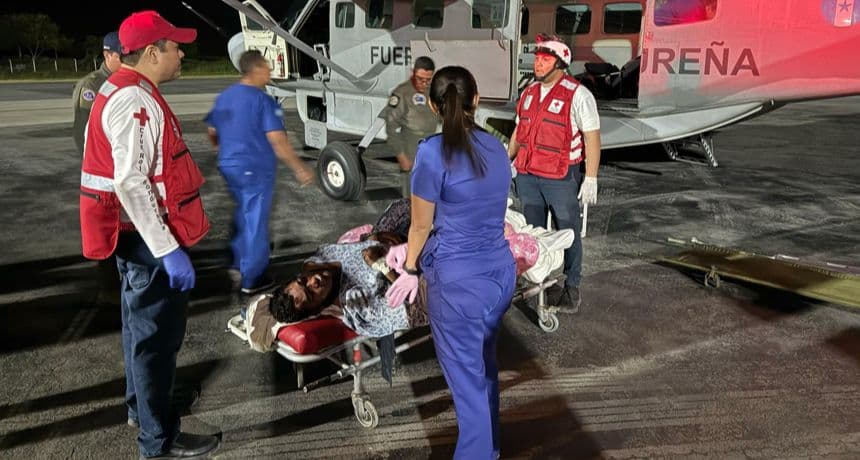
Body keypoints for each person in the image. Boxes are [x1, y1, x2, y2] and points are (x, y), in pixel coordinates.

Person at [78, 10, 219, 459]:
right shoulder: (134, 100)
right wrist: (169, 250)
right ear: (152, 52)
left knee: (139, 333)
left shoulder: (125, 89)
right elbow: (130, 181)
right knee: (155, 343)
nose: (182, 53)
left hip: (133, 237)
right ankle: (157, 444)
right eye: (175, 46)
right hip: (146, 241)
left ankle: (143, 412)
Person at [385, 66, 516, 460]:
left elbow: (420, 225)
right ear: (476, 100)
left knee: (468, 386)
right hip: (498, 275)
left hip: (458, 286)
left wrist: (409, 268)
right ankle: (490, 449)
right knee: (484, 368)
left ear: (436, 107)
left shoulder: (431, 152)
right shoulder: (496, 146)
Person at [205, 50, 314, 298]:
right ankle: (252, 278)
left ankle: (237, 261)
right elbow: (277, 140)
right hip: (255, 168)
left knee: (242, 212)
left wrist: (225, 151)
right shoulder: (263, 101)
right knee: (255, 219)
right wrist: (299, 167)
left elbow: (212, 130)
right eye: (266, 67)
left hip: (230, 166)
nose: (270, 72)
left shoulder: (225, 96)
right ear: (255, 69)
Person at [507, 34, 601, 313]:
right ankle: (540, 284)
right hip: (528, 175)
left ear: (561, 63)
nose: (538, 63)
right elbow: (519, 132)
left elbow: (592, 138)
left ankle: (572, 288)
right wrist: (506, 161)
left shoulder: (579, 95)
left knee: (567, 232)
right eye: (537, 58)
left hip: (560, 177)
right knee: (532, 235)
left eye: (545, 59)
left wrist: (591, 176)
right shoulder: (528, 93)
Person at [72, 32, 124, 307]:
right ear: (107, 55)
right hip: (103, 175)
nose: (126, 58)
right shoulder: (92, 85)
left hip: (123, 172)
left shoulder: (124, 81)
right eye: (121, 54)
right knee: (105, 234)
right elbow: (83, 133)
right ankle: (108, 293)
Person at [385, 56, 439, 193]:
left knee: (431, 192)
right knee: (411, 198)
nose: (424, 84)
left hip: (432, 144)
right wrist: (401, 156)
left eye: (428, 80)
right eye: (421, 79)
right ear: (412, 73)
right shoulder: (402, 93)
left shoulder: (434, 92)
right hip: (410, 146)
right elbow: (391, 128)